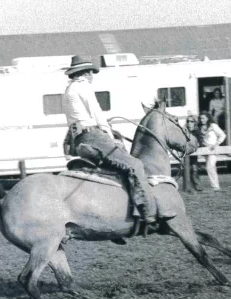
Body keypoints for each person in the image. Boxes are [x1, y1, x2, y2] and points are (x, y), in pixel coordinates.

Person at [61, 55, 170, 224]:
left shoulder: (68, 90)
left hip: (80, 139)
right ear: (85, 73)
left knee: (113, 169)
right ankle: (149, 212)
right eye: (91, 73)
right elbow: (96, 112)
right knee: (136, 165)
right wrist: (108, 133)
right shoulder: (83, 87)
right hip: (94, 136)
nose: (92, 76)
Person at [198, 112, 226, 191]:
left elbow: (222, 135)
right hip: (205, 149)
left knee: (209, 167)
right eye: (201, 118)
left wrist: (217, 144)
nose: (202, 120)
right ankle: (215, 186)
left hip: (213, 149)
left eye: (203, 118)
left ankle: (215, 186)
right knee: (212, 168)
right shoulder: (200, 127)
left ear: (207, 118)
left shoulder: (213, 126)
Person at [185, 113, 204, 191]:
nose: (189, 123)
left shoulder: (197, 132)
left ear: (195, 123)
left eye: (191, 121)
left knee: (194, 169)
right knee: (187, 170)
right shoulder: (184, 131)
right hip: (185, 155)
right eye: (188, 121)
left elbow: (199, 143)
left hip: (193, 155)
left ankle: (197, 186)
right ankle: (189, 187)